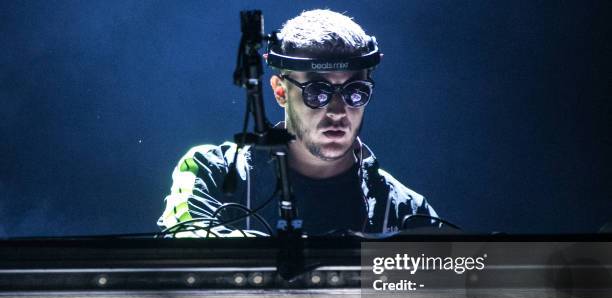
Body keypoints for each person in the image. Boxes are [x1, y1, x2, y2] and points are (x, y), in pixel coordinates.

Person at [158, 9, 438, 237]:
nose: (338, 111)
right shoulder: (213, 172)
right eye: (317, 92)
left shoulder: (405, 209)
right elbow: (187, 238)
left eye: (355, 93)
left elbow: (453, 290)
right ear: (280, 91)